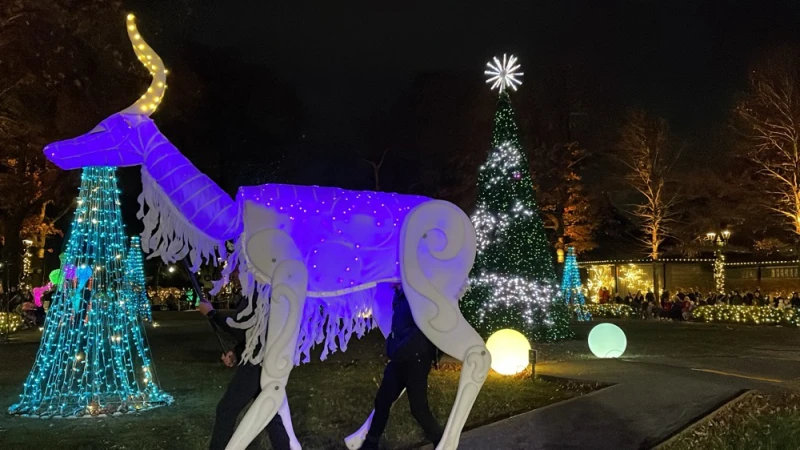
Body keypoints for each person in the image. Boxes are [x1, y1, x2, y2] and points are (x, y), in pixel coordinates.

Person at [197, 295, 291, 450]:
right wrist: (236, 352)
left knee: (227, 409)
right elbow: (255, 334)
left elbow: (240, 327)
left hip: (257, 363)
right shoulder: (264, 287)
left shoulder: (258, 288)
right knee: (269, 411)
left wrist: (212, 314)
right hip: (265, 360)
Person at [360, 284, 442, 450]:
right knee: (382, 401)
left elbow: (422, 329)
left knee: (418, 408)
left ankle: (442, 441)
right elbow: (397, 329)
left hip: (417, 360)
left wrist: (401, 348)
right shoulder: (399, 296)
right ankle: (371, 443)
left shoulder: (417, 295)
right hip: (399, 359)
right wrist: (392, 348)